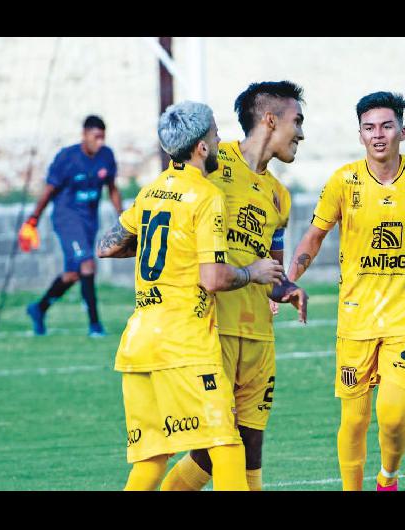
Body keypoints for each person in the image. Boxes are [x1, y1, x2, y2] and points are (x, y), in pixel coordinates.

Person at [97, 100, 285, 491]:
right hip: (183, 345)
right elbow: (213, 278)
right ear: (201, 147)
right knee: (228, 447)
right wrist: (253, 272)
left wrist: (172, 248)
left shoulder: (151, 193)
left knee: (151, 461)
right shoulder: (205, 196)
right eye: (215, 136)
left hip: (138, 344)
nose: (219, 142)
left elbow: (108, 246)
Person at [288, 91, 405, 491]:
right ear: (360, 135)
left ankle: (388, 477)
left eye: (386, 126)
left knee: (393, 414)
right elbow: (313, 237)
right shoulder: (343, 181)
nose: (378, 135)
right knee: (354, 420)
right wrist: (289, 278)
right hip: (355, 319)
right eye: (369, 128)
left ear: (403, 130)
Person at [161, 81, 308, 492]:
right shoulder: (210, 159)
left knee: (250, 445)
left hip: (258, 334)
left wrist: (287, 288)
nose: (300, 133)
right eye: (296, 121)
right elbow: (169, 209)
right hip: (210, 329)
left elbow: (272, 272)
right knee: (218, 447)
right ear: (269, 119)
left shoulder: (280, 197)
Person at [22, 115, 122, 337]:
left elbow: (112, 188)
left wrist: (123, 216)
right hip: (67, 218)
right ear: (84, 135)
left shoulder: (106, 156)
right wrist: (33, 219)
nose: (100, 142)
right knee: (87, 264)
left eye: (103, 137)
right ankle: (95, 326)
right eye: (96, 137)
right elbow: (49, 190)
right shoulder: (67, 158)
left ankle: (39, 309)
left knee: (74, 274)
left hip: (89, 221)